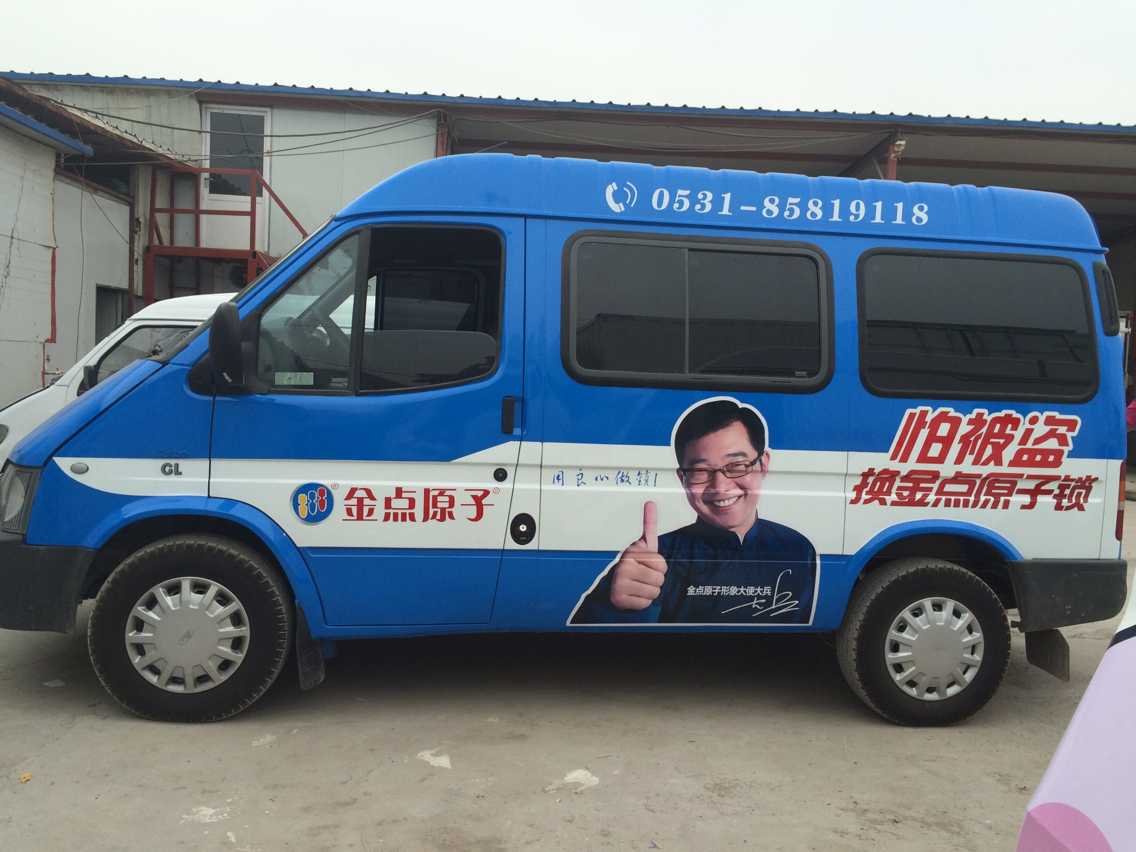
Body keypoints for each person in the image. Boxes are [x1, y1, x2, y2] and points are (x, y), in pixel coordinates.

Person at [570, 398, 817, 625]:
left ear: (763, 464)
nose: (720, 486)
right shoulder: (652, 558)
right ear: (682, 479)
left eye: (736, 465)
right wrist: (615, 604)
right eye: (700, 471)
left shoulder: (797, 548)